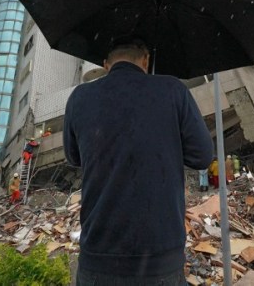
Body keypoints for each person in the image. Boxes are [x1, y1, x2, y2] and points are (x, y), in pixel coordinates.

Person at [63, 37, 213, 284]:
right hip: (159, 258)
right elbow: (202, 156)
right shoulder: (172, 90)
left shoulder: (79, 97)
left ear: (105, 65)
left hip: (98, 259)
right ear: (146, 60)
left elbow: (73, 157)